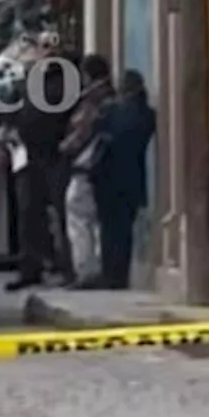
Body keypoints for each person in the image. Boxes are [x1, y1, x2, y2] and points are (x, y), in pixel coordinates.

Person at [3, 47, 77, 291]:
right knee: (29, 215)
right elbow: (18, 112)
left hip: (54, 156)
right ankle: (31, 267)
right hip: (30, 155)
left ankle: (66, 267)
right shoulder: (34, 85)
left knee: (60, 213)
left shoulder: (63, 85)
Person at [90, 70, 156, 289]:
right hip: (132, 179)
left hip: (109, 178)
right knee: (124, 230)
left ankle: (110, 274)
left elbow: (97, 130)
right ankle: (119, 274)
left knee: (109, 230)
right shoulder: (147, 114)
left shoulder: (112, 111)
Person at [58, 54, 116, 289]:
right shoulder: (110, 96)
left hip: (86, 167)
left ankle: (86, 271)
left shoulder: (93, 100)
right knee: (96, 220)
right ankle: (97, 268)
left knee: (78, 217)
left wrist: (65, 147)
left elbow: (83, 131)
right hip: (103, 168)